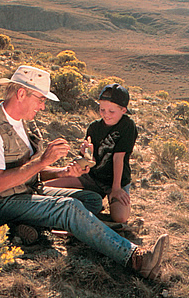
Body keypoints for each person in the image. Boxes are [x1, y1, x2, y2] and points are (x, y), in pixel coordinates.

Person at [0, 65, 168, 279]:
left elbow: (29, 173)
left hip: (21, 192)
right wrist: (42, 161)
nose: (42, 107)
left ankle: (25, 225)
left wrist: (63, 172)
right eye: (40, 99)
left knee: (91, 200)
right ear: (21, 93)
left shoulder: (23, 124)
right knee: (69, 207)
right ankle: (135, 258)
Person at [45, 83, 136, 223]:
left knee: (120, 217)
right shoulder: (94, 127)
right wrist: (86, 153)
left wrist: (116, 188)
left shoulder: (127, 126)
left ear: (123, 110)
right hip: (93, 177)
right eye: (102, 109)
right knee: (46, 187)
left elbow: (119, 157)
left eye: (111, 111)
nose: (106, 114)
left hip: (116, 179)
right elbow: (90, 159)